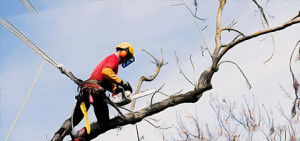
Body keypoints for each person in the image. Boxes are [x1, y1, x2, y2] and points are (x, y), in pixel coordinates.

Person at [51, 42, 135, 141]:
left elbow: (104, 79)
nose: (124, 61)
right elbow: (106, 72)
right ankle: (81, 134)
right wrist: (124, 84)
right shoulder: (114, 59)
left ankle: (58, 135)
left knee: (75, 118)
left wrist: (115, 89)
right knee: (104, 123)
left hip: (86, 90)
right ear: (124, 53)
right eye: (127, 57)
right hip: (95, 92)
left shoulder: (108, 60)